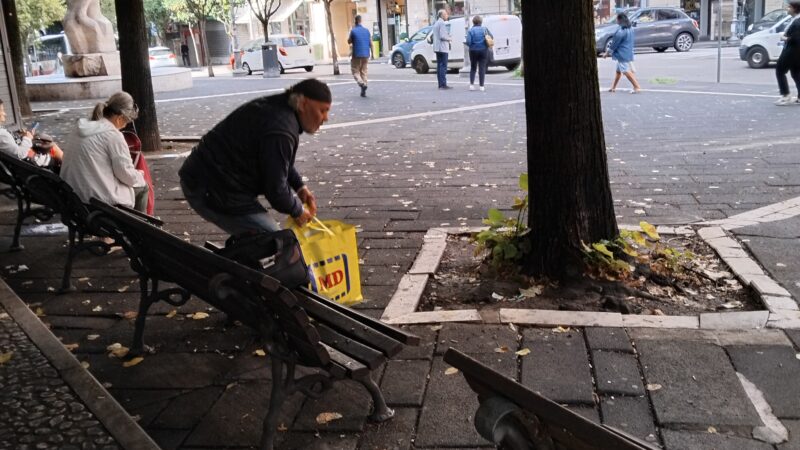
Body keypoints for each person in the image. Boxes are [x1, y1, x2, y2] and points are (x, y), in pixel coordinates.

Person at [178, 79, 331, 237]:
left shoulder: (279, 108)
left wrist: (300, 187)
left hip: (211, 180)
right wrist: (297, 211)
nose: (325, 118)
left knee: (262, 243)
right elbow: (276, 191)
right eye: (322, 110)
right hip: (212, 189)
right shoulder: (281, 130)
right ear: (303, 104)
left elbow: (276, 160)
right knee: (276, 243)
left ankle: (242, 256)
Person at [60, 92, 149, 213]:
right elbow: (125, 173)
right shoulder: (113, 135)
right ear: (119, 118)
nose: (123, 127)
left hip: (72, 196)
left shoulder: (80, 126)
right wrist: (139, 175)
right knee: (143, 187)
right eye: (125, 122)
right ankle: (138, 228)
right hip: (95, 200)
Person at [604, 13, 642, 94]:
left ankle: (637, 86)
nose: (616, 20)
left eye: (617, 19)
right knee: (618, 71)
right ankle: (613, 87)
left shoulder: (621, 31)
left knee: (625, 71)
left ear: (619, 20)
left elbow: (614, 45)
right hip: (628, 51)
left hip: (622, 54)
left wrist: (606, 53)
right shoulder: (630, 28)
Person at [774, 1, 800, 105]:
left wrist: (783, 37)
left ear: (795, 8)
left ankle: (785, 96)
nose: (787, 9)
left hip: (791, 51)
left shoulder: (798, 21)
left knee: (780, 70)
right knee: (796, 73)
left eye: (789, 7)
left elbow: (796, 39)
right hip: (796, 52)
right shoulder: (796, 19)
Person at [466, 15, 492, 91]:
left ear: (473, 22)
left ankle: (471, 85)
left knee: (473, 67)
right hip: (483, 50)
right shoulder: (485, 29)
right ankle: (481, 86)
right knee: (482, 67)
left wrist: (471, 45)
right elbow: (491, 37)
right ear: (481, 22)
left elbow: (468, 41)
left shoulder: (470, 30)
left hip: (473, 50)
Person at [348, 15, 372, 97]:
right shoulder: (367, 31)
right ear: (361, 21)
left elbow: (349, 41)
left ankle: (361, 83)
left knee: (355, 71)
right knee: (364, 71)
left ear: (355, 21)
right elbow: (370, 43)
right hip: (366, 54)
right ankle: (364, 86)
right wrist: (372, 54)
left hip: (357, 54)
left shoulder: (353, 31)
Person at [432, 9, 452, 89]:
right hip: (443, 48)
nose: (447, 15)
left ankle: (440, 84)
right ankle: (443, 84)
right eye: (446, 14)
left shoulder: (436, 23)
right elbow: (442, 36)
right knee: (443, 66)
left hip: (437, 48)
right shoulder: (442, 23)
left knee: (439, 66)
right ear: (442, 15)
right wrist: (449, 38)